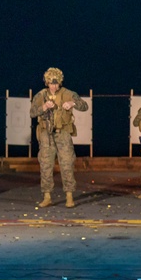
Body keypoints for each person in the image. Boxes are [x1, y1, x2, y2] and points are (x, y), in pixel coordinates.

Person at [30, 67, 89, 208]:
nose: (54, 86)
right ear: (46, 82)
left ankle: (69, 196)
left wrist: (72, 103)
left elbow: (84, 105)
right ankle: (47, 196)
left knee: (67, 163)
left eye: (56, 83)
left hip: (63, 133)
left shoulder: (68, 93)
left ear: (60, 82)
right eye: (51, 83)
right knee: (45, 164)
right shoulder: (40, 95)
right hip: (46, 134)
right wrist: (43, 107)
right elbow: (32, 113)